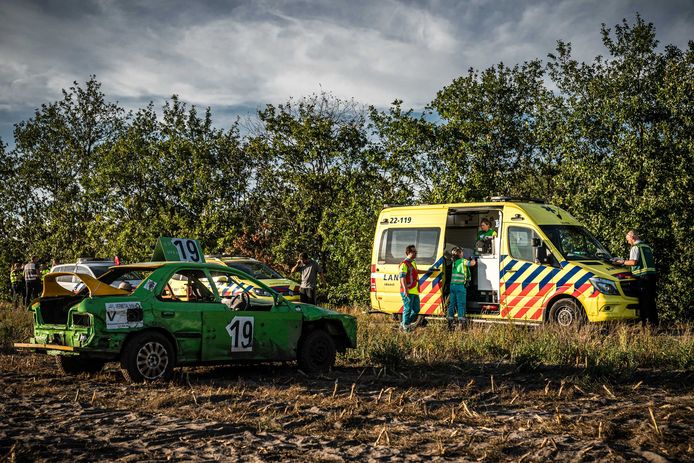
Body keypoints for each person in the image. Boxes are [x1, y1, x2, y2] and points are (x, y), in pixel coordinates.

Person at [612, 230, 658, 327]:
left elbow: (633, 262)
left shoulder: (635, 247)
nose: (628, 242)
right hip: (652, 276)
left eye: (628, 240)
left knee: (643, 302)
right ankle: (654, 325)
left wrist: (621, 261)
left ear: (632, 238)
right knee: (651, 301)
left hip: (642, 277)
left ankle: (646, 326)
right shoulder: (647, 247)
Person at [448, 247, 476, 330]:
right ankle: (461, 323)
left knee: (452, 304)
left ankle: (450, 322)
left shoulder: (454, 262)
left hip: (452, 286)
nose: (463, 254)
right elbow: (472, 264)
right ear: (460, 253)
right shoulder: (463, 261)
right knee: (461, 304)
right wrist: (473, 258)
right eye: (462, 252)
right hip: (460, 286)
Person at [399, 245, 420, 332]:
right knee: (407, 309)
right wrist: (405, 290)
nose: (416, 253)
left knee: (416, 310)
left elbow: (416, 272)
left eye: (416, 252)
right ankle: (406, 328)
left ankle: (404, 323)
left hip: (415, 291)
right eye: (414, 252)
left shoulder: (413, 262)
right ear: (408, 253)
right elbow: (402, 277)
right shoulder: (404, 264)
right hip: (408, 290)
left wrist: (428, 271)